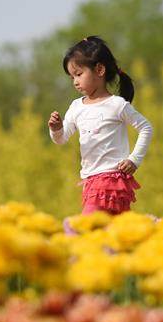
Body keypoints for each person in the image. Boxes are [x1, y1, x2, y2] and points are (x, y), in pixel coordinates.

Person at [48, 36, 153, 215]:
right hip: (90, 181)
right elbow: (61, 139)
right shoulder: (76, 107)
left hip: (115, 181)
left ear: (99, 69)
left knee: (89, 227)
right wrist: (56, 128)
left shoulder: (116, 105)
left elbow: (146, 128)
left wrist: (134, 159)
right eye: (72, 76)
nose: (75, 81)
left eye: (79, 74)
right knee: (111, 235)